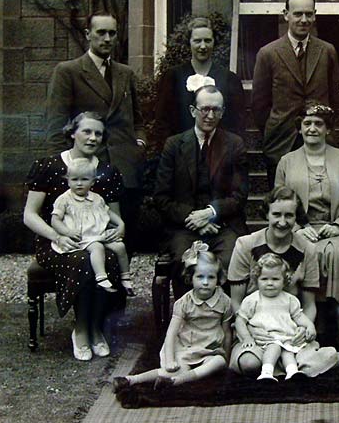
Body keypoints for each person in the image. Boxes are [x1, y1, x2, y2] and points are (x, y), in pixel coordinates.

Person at [228, 186, 339, 377]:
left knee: (313, 361)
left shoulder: (307, 249)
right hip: (255, 331)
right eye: (277, 215)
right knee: (250, 364)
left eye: (289, 216)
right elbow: (236, 302)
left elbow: (309, 304)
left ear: (296, 217)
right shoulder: (245, 245)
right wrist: (249, 332)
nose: (282, 222)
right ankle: (288, 367)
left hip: (289, 330)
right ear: (267, 214)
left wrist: (303, 329)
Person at [24, 112, 125, 361]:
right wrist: (56, 236)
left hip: (95, 239)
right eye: (86, 131)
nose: (92, 138)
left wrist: (119, 230)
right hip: (56, 242)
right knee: (81, 260)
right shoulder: (48, 166)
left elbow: (114, 217)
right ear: (72, 133)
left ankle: (96, 326)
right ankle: (81, 329)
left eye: (98, 133)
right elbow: (30, 215)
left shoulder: (107, 172)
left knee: (108, 258)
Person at [275, 103, 339, 352]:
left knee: (335, 252)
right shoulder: (286, 161)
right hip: (299, 229)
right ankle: (315, 323)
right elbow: (278, 200)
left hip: (336, 229)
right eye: (307, 123)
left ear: (327, 129)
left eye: (318, 124)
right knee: (311, 251)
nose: (312, 128)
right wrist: (297, 227)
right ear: (299, 128)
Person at [46, 11, 147, 255]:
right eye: (101, 32)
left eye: (112, 33)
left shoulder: (125, 73)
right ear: (88, 34)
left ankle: (119, 289)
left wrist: (139, 144)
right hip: (87, 168)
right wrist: (66, 167)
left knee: (124, 234)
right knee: (88, 236)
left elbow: (138, 118)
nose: (107, 38)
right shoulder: (68, 71)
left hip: (125, 166)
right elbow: (55, 126)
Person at [153, 83, 248, 297]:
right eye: (205, 109)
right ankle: (186, 319)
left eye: (216, 110)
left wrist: (210, 214)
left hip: (223, 225)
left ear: (223, 112)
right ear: (193, 110)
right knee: (184, 260)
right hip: (183, 227)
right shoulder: (174, 145)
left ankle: (222, 320)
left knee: (231, 260)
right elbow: (161, 197)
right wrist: (193, 218)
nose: (210, 115)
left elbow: (239, 196)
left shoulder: (234, 145)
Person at [252, 0, 339, 188]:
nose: (303, 19)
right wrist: (275, 129)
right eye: (298, 14)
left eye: (309, 14)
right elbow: (259, 104)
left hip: (319, 142)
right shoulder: (268, 53)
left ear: (315, 15)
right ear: (286, 15)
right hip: (281, 143)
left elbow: (335, 99)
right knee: (283, 205)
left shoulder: (327, 51)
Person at [113, 245, 232, 391]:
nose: (205, 282)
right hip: (186, 348)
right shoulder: (184, 303)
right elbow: (171, 334)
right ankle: (131, 380)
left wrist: (227, 357)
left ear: (218, 279)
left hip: (210, 350)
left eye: (211, 277)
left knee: (219, 362)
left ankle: (175, 381)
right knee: (176, 369)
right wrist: (170, 359)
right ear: (191, 277)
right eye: (200, 277)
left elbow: (226, 332)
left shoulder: (224, 301)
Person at [153, 16, 246, 148]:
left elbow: (237, 122)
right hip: (181, 153)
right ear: (189, 42)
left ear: (214, 42)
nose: (203, 46)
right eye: (197, 41)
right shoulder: (173, 77)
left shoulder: (229, 79)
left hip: (219, 153)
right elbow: (162, 122)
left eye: (207, 40)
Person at [50, 158, 135, 296]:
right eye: (74, 179)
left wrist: (120, 223)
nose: (79, 183)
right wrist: (67, 232)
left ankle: (125, 277)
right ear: (68, 180)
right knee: (97, 247)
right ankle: (101, 277)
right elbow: (55, 220)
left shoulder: (97, 198)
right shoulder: (64, 199)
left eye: (84, 179)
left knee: (120, 247)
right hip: (80, 237)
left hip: (98, 233)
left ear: (92, 181)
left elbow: (108, 212)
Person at [236, 253, 316, 381]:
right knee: (274, 346)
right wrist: (247, 337)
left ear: (284, 280)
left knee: (287, 351)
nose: (269, 283)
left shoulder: (289, 300)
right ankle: (266, 373)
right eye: (264, 279)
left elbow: (299, 316)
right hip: (266, 340)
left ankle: (292, 373)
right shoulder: (252, 300)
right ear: (257, 280)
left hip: (286, 339)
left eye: (275, 279)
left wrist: (310, 326)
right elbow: (240, 320)